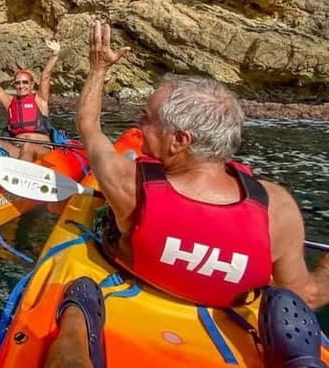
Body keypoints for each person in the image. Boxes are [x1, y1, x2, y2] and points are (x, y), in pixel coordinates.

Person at [46, 20, 329, 368]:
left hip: (134, 291)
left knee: (75, 311)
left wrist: (99, 67)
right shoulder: (276, 206)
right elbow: (306, 295)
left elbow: (89, 126)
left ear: (179, 140)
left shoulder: (130, 185)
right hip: (229, 317)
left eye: (146, 119)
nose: (138, 124)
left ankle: (75, 337)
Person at [0, 39, 61, 162]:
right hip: (17, 149)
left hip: (41, 150)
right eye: (18, 83)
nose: (21, 86)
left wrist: (54, 55)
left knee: (28, 146)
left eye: (25, 82)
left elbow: (45, 76)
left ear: (32, 85)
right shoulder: (10, 102)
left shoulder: (40, 99)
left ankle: (21, 175)